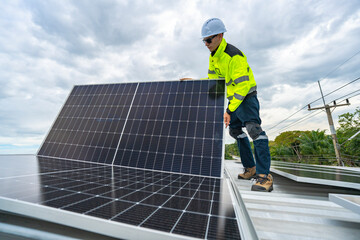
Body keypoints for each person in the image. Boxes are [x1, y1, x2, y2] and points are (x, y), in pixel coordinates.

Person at [181, 18, 273, 192]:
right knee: (235, 131)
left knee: (255, 131)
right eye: (204, 41)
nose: (206, 43)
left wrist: (229, 110)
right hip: (234, 100)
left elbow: (243, 86)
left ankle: (264, 176)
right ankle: (250, 168)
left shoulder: (233, 56)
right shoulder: (214, 57)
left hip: (246, 97)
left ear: (220, 36)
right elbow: (215, 82)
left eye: (209, 39)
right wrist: (195, 83)